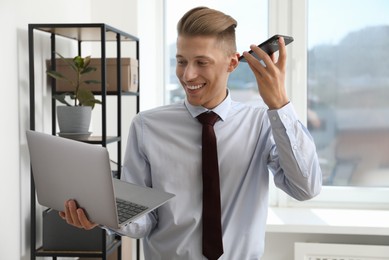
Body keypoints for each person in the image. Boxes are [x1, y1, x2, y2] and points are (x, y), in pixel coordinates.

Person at [60, 6, 322, 259]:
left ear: (232, 64)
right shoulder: (147, 126)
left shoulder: (262, 124)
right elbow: (144, 221)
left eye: (201, 62)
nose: (188, 74)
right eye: (181, 61)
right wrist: (102, 215)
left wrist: (279, 105)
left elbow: (305, 188)